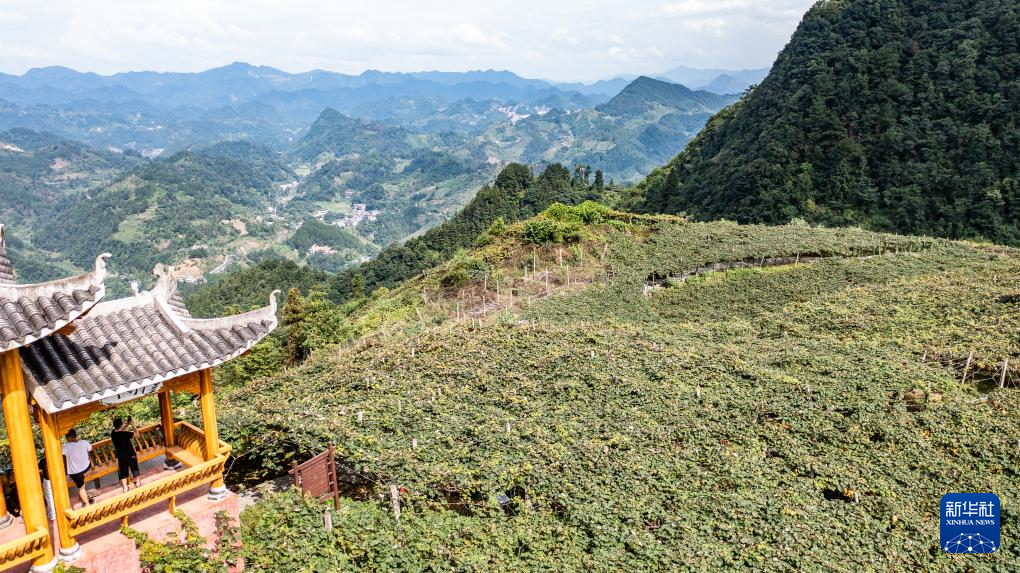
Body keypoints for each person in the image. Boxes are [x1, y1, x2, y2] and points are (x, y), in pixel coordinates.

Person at [61, 428, 93, 508]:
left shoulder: (66, 447)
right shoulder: (84, 442)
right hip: (87, 468)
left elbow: (59, 453)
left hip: (76, 473)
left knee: (81, 488)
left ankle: (87, 504)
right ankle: (82, 497)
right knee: (82, 483)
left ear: (68, 438)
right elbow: (90, 448)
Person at [111, 417, 141, 493]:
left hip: (121, 456)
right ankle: (137, 483)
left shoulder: (113, 433)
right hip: (130, 454)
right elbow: (137, 434)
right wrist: (132, 425)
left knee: (123, 471)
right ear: (121, 425)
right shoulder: (126, 434)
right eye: (123, 423)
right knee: (134, 467)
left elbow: (120, 429)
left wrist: (127, 424)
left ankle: (125, 488)